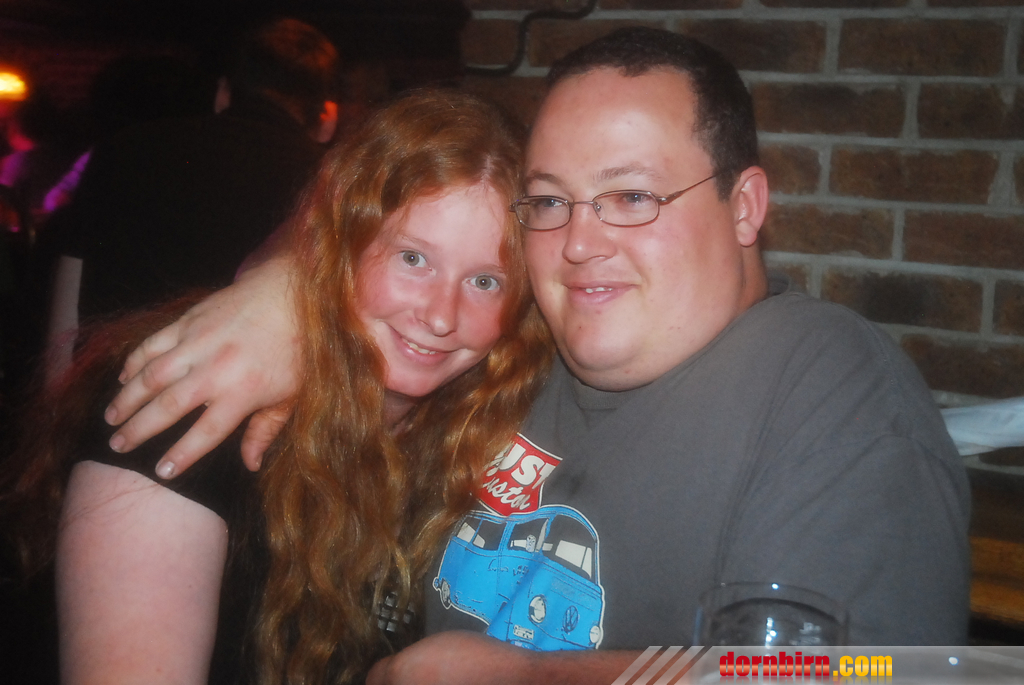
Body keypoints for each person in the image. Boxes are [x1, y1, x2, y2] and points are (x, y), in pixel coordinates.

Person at [100, 28, 970, 681]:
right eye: (551, 202)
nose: (579, 243)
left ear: (745, 207)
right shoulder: (516, 362)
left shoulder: (829, 384)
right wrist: (286, 294)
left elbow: (855, 674)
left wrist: (534, 677)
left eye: (631, 196)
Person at [0, 89, 552, 684]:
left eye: (486, 281)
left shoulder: (477, 425)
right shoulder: (192, 409)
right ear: (342, 245)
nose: (441, 316)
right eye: (413, 259)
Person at [46, 17, 341, 376]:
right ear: (325, 118)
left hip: (113, 392)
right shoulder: (329, 182)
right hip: (246, 404)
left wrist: (60, 403)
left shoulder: (123, 150)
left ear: (223, 93)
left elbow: (68, 302)